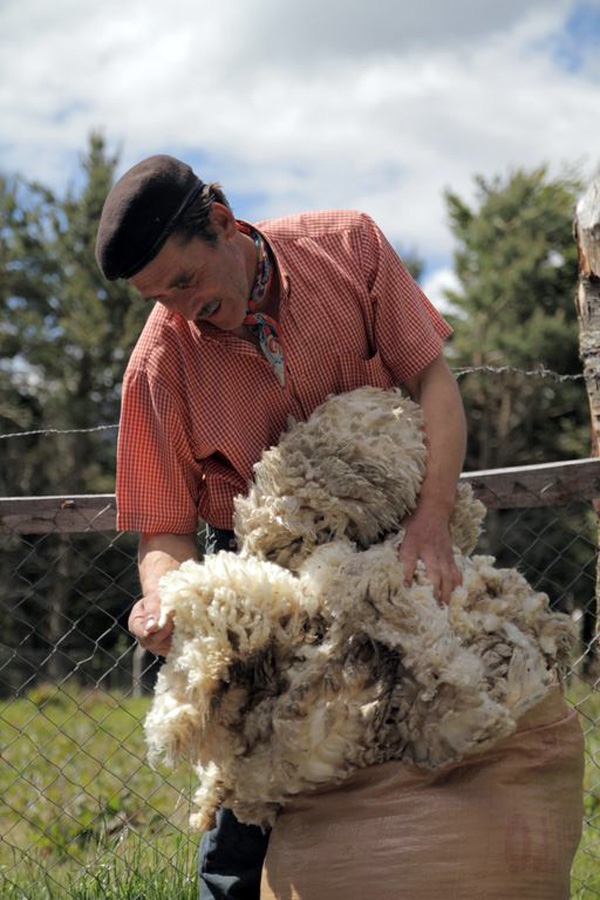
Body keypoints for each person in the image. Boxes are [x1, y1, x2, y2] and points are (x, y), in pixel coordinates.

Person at [95, 154, 467, 899]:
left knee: (436, 732)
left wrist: (431, 524)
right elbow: (164, 530)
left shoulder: (349, 248)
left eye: (184, 283)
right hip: (260, 573)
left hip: (392, 539)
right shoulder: (158, 368)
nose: (176, 308)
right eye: (157, 298)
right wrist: (165, 598)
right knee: (249, 789)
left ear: (224, 224)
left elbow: (432, 381)